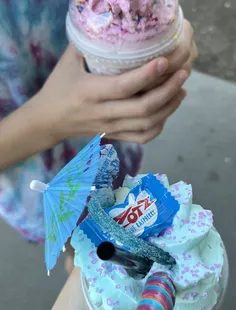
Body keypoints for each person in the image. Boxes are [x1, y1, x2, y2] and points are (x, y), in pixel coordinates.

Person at [0, 1, 197, 273]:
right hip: (37, 179)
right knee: (86, 254)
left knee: (126, 204)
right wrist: (48, 123)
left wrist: (165, 33)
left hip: (111, 131)